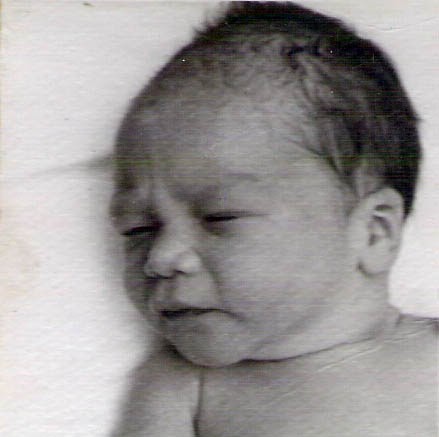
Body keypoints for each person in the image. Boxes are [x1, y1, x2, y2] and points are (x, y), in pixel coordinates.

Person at [109, 2, 437, 436]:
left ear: (374, 232)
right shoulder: (182, 386)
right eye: (138, 228)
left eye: (220, 217)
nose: (161, 257)